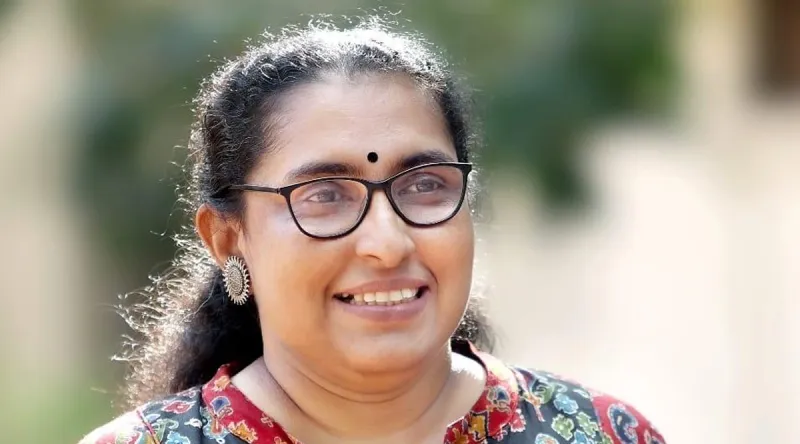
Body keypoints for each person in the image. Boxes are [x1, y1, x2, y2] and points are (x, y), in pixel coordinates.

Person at [80, 17, 666, 444]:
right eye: (324, 195)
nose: (388, 243)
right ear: (228, 238)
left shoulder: (600, 434)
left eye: (424, 185)